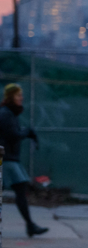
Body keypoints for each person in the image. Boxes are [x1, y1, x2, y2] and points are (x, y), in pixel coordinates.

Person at [0, 83, 48, 237]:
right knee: (20, 189)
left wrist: (26, 132)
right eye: (18, 95)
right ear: (11, 97)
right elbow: (12, 135)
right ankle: (30, 225)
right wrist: (27, 132)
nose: (21, 98)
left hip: (10, 159)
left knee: (21, 189)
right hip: (7, 160)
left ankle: (30, 225)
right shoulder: (6, 114)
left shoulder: (9, 113)